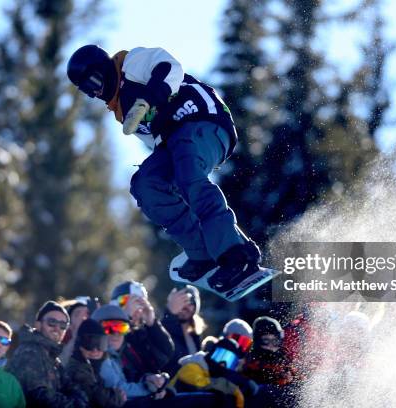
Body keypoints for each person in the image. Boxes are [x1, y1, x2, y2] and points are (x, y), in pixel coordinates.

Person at [67, 44, 262, 293]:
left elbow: (170, 67)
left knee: (189, 173)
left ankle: (234, 254)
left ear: (103, 68)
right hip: (173, 142)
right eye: (87, 90)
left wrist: (150, 97)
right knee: (146, 185)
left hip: (203, 119)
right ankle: (201, 251)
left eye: (93, 82)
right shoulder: (122, 110)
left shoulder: (130, 64)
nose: (95, 92)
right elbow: (158, 144)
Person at [7, 300, 89, 407]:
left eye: (63, 325)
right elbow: (39, 396)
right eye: (52, 322)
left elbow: (72, 387)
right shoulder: (29, 351)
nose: (57, 328)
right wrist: (74, 404)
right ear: (38, 324)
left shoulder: (52, 357)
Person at [91, 304, 169, 402]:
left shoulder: (118, 355)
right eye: (108, 328)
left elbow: (132, 378)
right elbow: (119, 389)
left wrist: (149, 380)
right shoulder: (97, 356)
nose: (116, 334)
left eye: (121, 328)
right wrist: (151, 390)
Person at [109, 281, 174, 380]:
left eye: (140, 303)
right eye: (126, 303)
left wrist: (152, 324)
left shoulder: (140, 333)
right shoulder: (108, 331)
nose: (135, 310)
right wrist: (126, 317)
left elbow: (166, 355)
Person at [65, 319, 126, 408]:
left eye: (100, 344)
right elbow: (96, 397)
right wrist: (116, 398)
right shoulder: (76, 369)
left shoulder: (94, 368)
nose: (95, 350)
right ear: (79, 345)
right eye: (89, 343)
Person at [161, 286, 206, 376]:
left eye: (190, 304)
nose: (185, 307)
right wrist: (170, 313)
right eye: (182, 303)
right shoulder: (163, 329)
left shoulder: (195, 334)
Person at [243, 317, 294, 386]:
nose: (271, 345)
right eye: (266, 340)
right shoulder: (250, 359)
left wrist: (289, 378)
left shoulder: (284, 358)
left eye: (275, 340)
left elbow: (297, 378)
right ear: (258, 341)